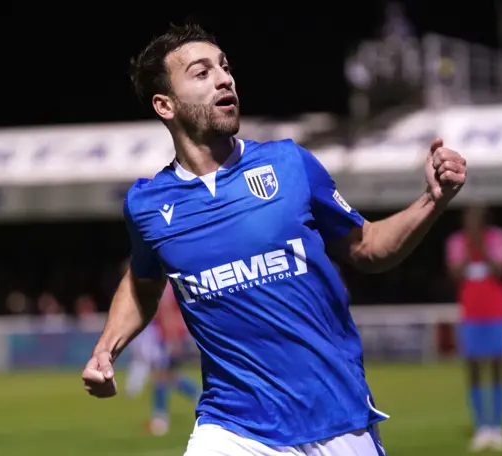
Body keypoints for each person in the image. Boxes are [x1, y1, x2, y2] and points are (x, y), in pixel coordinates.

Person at [82, 23, 467, 456]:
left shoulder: (290, 164)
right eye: (201, 72)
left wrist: (431, 201)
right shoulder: (148, 204)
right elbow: (143, 281)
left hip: (336, 418)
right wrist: (106, 349)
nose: (224, 78)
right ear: (164, 104)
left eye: (225, 67)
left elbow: (368, 248)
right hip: (232, 426)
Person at [445, 206, 502, 452]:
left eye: (475, 218)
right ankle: (481, 426)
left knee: (497, 367)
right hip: (470, 313)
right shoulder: (456, 242)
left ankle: (497, 426)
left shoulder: (500, 238)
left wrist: (481, 245)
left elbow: (500, 270)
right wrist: (468, 248)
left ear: (485, 220)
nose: (471, 223)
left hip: (496, 312)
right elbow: (455, 273)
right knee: (473, 369)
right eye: (467, 219)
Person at [124, 281, 200, 435]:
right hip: (168, 334)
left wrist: (172, 338)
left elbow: (167, 313)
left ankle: (160, 420)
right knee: (167, 375)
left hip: (168, 336)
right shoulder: (171, 284)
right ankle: (197, 395)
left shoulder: (164, 286)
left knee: (161, 375)